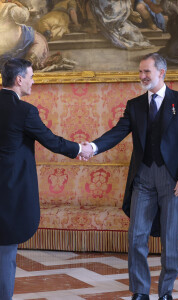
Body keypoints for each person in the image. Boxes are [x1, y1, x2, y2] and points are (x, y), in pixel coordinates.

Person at [82, 52, 178, 300]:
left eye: (147, 71)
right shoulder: (134, 105)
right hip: (143, 178)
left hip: (173, 180)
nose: (142, 76)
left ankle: (166, 291)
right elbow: (117, 132)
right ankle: (140, 290)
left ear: (162, 72)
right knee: (136, 236)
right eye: (140, 72)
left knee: (170, 239)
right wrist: (92, 147)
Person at [0, 58, 93, 300]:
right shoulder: (24, 111)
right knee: (5, 253)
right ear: (19, 80)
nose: (33, 81)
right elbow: (50, 140)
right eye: (31, 76)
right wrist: (79, 149)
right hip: (10, 194)